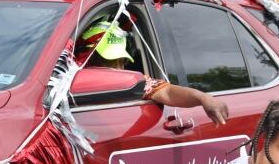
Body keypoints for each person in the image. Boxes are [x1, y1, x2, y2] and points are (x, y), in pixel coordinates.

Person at [78, 18, 229, 125]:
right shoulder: (62, 84)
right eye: (108, 60)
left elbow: (168, 92)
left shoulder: (135, 82)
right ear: (85, 59)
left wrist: (203, 98)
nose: (118, 69)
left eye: (122, 61)